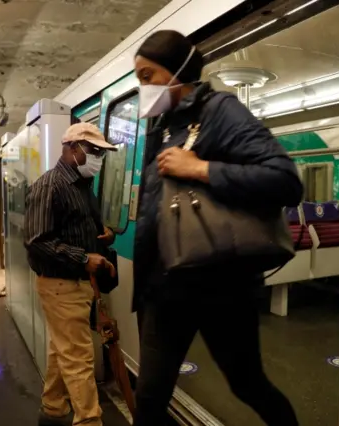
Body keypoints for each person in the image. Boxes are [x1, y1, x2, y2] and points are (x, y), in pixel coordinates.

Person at [131, 30, 304, 426]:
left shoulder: (220, 110)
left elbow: (285, 181)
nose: (142, 87)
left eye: (147, 75)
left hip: (218, 284)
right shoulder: (162, 125)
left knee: (246, 383)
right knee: (150, 396)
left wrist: (201, 169)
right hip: (163, 286)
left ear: (177, 73)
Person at [24, 122, 117, 426]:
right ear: (73, 148)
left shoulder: (82, 186)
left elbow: (81, 227)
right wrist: (82, 257)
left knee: (61, 349)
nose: (98, 159)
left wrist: (104, 235)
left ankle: (52, 408)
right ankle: (89, 421)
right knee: (79, 357)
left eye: (102, 154)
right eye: (94, 151)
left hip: (78, 284)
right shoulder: (50, 185)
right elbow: (37, 241)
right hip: (60, 284)